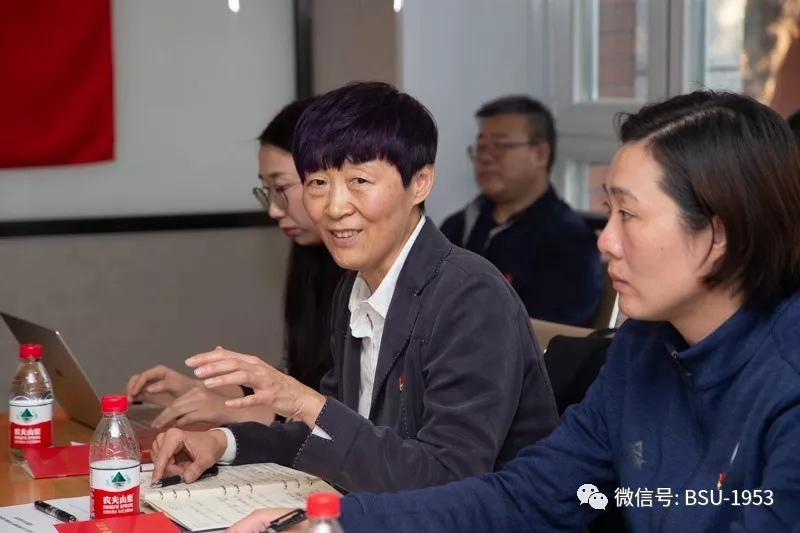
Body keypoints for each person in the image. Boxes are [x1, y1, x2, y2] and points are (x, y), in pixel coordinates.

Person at [227, 91, 800, 533]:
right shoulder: (643, 345)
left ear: (717, 234)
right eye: (608, 211)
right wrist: (337, 525)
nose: (604, 241)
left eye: (628, 215)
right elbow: (532, 495)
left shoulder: (785, 380)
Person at [149, 81, 559, 494]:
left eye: (359, 180)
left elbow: (449, 479)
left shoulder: (471, 295)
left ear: (420, 182)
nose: (334, 207)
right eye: (317, 183)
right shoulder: (354, 288)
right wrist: (222, 442)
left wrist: (305, 401)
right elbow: (340, 437)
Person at [126, 97, 343, 428]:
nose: (274, 209)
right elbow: (303, 384)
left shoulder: (366, 271)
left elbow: (347, 419)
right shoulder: (311, 256)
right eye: (266, 191)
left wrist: (236, 412)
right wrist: (199, 392)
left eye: (281, 188)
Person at [440, 95, 604, 327]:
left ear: (540, 154)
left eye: (499, 146)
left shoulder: (570, 242)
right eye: (481, 147)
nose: (485, 158)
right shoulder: (457, 226)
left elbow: (547, 335)